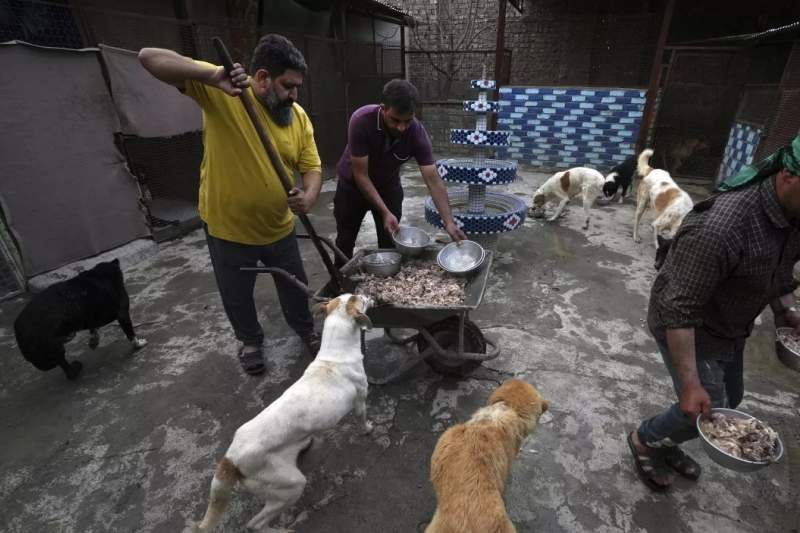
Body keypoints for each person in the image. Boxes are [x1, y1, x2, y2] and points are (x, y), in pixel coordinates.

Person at [138, 35, 322, 376]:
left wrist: (309, 196)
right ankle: (250, 340)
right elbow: (149, 56)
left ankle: (305, 329)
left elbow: (311, 168)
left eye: (297, 87)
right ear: (263, 78)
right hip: (228, 228)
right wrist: (210, 77)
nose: (295, 95)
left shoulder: (297, 117)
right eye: (288, 86)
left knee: (295, 286)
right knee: (236, 292)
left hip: (278, 227)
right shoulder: (225, 91)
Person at [628, 135, 800, 491]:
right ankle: (645, 440)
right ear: (789, 176)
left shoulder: (793, 214)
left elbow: (779, 271)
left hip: (731, 325)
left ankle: (667, 441)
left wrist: (787, 312)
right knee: (704, 407)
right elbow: (678, 309)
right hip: (688, 324)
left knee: (729, 399)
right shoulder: (721, 227)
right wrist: (691, 384)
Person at [333, 79, 466, 265]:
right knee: (345, 240)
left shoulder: (417, 133)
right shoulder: (361, 120)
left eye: (408, 121)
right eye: (395, 120)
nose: (402, 128)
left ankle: (384, 284)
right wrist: (385, 211)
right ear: (383, 108)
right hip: (353, 187)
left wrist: (449, 222)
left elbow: (433, 180)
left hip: (388, 186)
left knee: (389, 242)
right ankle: (339, 285)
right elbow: (361, 175)